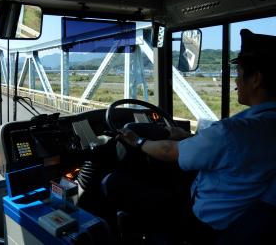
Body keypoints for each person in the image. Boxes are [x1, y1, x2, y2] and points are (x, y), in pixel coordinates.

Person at [111, 29, 276, 244]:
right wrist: (185, 135)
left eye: (238, 73)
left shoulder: (233, 131)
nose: (235, 83)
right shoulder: (260, 125)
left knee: (114, 182)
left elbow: (168, 151)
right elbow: (230, 150)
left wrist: (138, 141)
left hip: (205, 224)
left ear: (255, 79)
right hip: (243, 218)